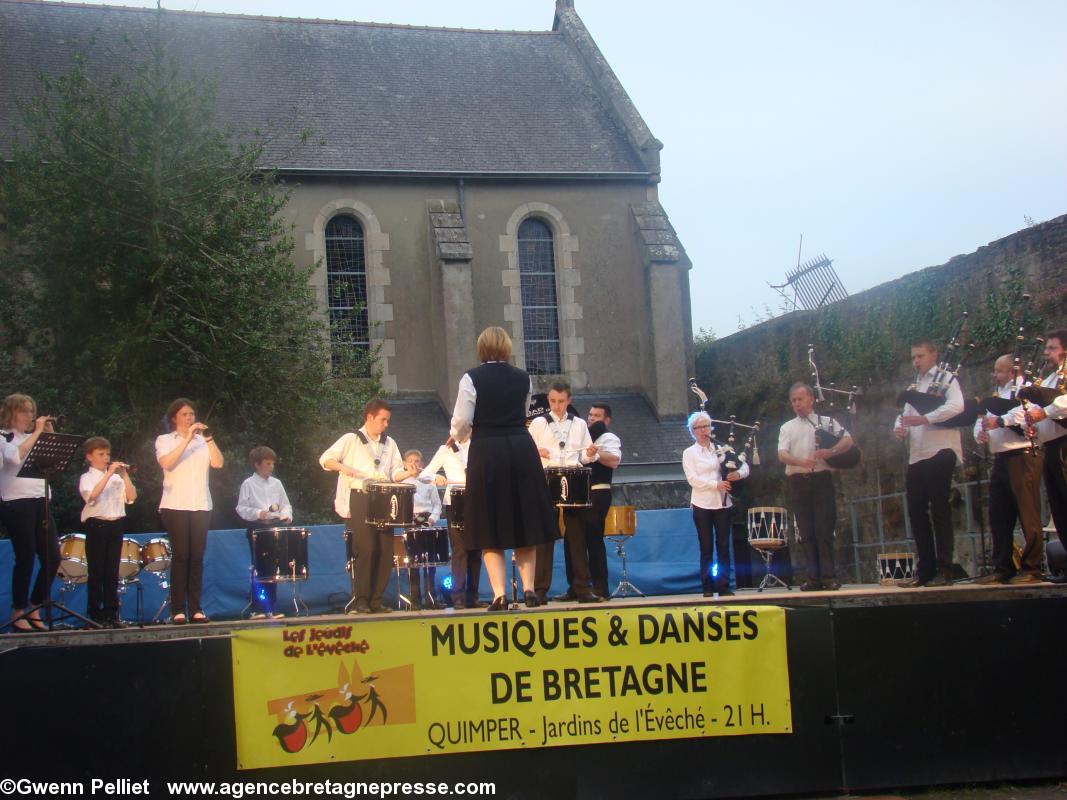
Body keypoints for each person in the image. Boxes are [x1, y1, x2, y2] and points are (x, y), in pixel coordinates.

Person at [449, 326, 557, 610]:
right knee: (526, 521)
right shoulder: (523, 378)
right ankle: (530, 589)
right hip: (522, 448)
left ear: (481, 348)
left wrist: (460, 437)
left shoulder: (471, 378)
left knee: (489, 523)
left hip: (487, 450)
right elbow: (522, 414)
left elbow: (462, 421)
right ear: (507, 348)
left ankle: (499, 594)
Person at [320, 398, 406, 614]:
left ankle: (376, 600)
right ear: (370, 417)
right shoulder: (352, 439)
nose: (386, 424)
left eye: (388, 420)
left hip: (384, 499)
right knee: (366, 548)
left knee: (386, 551)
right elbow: (325, 459)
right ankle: (361, 600)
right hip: (360, 496)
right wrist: (344, 467)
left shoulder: (390, 443)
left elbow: (394, 473)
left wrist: (409, 473)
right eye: (383, 420)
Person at [893, 340, 964, 587]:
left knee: (939, 508)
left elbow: (957, 406)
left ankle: (945, 570)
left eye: (921, 356)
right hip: (918, 453)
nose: (916, 361)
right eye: (913, 357)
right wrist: (899, 426)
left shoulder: (946, 379)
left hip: (940, 449)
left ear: (933, 355)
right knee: (916, 511)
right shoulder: (915, 385)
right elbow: (904, 415)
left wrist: (926, 418)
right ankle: (925, 569)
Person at [528, 380, 602, 603]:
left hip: (573, 475)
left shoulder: (579, 424)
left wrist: (590, 453)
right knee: (545, 535)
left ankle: (582, 587)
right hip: (546, 476)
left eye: (561, 401)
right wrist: (536, 451)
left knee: (577, 535)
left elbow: (587, 457)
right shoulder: (538, 423)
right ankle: (539, 590)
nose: (557, 406)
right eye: (552, 401)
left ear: (569, 400)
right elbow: (527, 451)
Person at [974, 355, 1044, 584]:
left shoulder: (1025, 389)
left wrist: (1000, 421)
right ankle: (1003, 566)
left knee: (1027, 512)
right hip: (1000, 457)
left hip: (1021, 455)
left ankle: (1032, 568)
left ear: (1013, 372)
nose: (996, 375)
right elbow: (982, 420)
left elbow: (1025, 413)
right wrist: (981, 433)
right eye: (995, 371)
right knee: (998, 514)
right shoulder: (997, 395)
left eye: (1000, 371)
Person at [777, 383, 853, 591]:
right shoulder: (787, 427)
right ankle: (812, 577)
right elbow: (782, 454)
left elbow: (848, 440)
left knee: (824, 528)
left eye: (800, 399)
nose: (797, 404)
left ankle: (828, 576)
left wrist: (831, 452)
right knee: (806, 531)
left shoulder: (825, 422)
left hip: (821, 479)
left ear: (810, 399)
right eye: (793, 400)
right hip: (798, 481)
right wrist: (801, 462)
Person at [156, 398, 225, 624]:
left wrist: (209, 438)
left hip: (200, 504)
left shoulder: (202, 441)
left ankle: (196, 608)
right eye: (185, 414)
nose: (190, 418)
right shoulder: (165, 440)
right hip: (174, 503)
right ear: (175, 417)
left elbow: (218, 463)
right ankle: (177, 609)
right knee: (182, 555)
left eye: (192, 414)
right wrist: (186, 439)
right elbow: (167, 463)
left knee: (197, 557)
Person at [0, 394, 60, 631]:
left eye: (31, 411)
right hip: (15, 501)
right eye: (24, 411)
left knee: (53, 557)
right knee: (25, 557)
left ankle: (35, 605)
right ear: (12, 412)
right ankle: (18, 610)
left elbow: (56, 459)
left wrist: (50, 434)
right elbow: (14, 457)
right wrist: (37, 433)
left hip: (41, 499)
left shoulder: (33, 437)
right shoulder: (4, 437)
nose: (29, 416)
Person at [556, 402, 622, 601]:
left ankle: (600, 587)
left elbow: (614, 460)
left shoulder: (608, 437)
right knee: (571, 541)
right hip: (577, 493)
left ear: (607, 420)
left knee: (593, 539)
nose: (592, 418)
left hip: (597, 492)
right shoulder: (582, 436)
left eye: (597, 416)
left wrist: (595, 453)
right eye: (591, 415)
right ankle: (576, 586)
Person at [1018, 329, 1067, 583]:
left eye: (1051, 348)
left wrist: (1045, 412)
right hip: (1051, 445)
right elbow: (1042, 410)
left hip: (1065, 444)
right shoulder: (1049, 379)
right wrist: (1033, 423)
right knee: (1059, 507)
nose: (1046, 353)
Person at [684, 410, 750, 597]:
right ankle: (707, 585)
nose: (704, 430)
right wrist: (716, 484)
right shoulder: (689, 453)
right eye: (700, 427)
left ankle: (723, 584)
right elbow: (693, 479)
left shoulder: (722, 449)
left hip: (723, 504)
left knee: (723, 545)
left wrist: (737, 474)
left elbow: (743, 465)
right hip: (702, 504)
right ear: (693, 431)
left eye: (707, 426)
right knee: (706, 546)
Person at [79, 437, 137, 627]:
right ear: (89, 457)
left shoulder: (116, 478)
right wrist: (109, 473)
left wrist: (124, 475)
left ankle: (112, 614)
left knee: (112, 571)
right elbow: (92, 496)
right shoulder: (87, 477)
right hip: (97, 524)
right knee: (97, 572)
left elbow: (131, 497)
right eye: (101, 454)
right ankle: (94, 614)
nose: (106, 458)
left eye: (107, 454)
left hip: (116, 523)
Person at [420, 438, 481, 608]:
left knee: (476, 551)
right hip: (455, 501)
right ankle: (458, 597)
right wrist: (436, 477)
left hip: (477, 499)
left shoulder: (479, 443)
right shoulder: (445, 449)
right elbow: (424, 475)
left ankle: (473, 597)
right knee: (459, 551)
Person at [236, 446, 293, 618]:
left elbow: (285, 504)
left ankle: (271, 608)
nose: (271, 467)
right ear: (257, 465)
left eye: (272, 463)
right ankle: (257, 608)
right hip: (257, 527)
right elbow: (241, 507)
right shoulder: (248, 484)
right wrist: (257, 513)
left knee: (273, 567)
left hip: (274, 526)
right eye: (267, 463)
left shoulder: (277, 483)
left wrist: (285, 516)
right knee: (259, 567)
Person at [399, 449, 443, 610]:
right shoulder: (403, 484)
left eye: (417, 461)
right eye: (410, 461)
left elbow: (437, 505)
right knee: (413, 563)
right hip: (410, 523)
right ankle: (415, 600)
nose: (414, 464)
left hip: (427, 522)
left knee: (430, 562)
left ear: (422, 464)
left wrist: (431, 520)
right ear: (405, 464)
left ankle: (431, 598)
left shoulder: (428, 482)